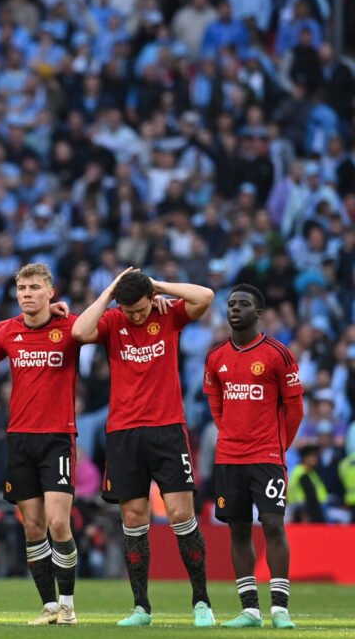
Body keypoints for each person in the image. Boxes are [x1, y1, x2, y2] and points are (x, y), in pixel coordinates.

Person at [72, 268, 216, 627]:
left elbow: (206, 296)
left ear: (150, 299)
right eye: (129, 310)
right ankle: (141, 607)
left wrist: (159, 286)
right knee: (133, 519)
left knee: (182, 515)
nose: (136, 316)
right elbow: (78, 331)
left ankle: (202, 601)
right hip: (123, 433)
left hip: (167, 429)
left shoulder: (168, 314)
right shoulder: (113, 319)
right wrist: (108, 293)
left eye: (140, 309)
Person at [0, 264, 83, 625]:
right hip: (20, 438)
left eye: (35, 287)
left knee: (59, 523)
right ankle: (49, 605)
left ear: (50, 292)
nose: (27, 293)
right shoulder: (8, 331)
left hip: (57, 436)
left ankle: (68, 604)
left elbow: (101, 326)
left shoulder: (70, 327)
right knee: (33, 527)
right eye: (22, 288)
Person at [203, 284, 303, 629]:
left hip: (267, 456)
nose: (234, 309)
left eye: (242, 304)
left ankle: (280, 610)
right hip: (229, 457)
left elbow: (295, 409)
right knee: (238, 529)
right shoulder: (216, 357)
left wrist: (277, 446)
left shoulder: (278, 354)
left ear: (257, 313)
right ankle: (250, 610)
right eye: (231, 304)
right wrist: (233, 434)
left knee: (273, 525)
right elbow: (216, 407)